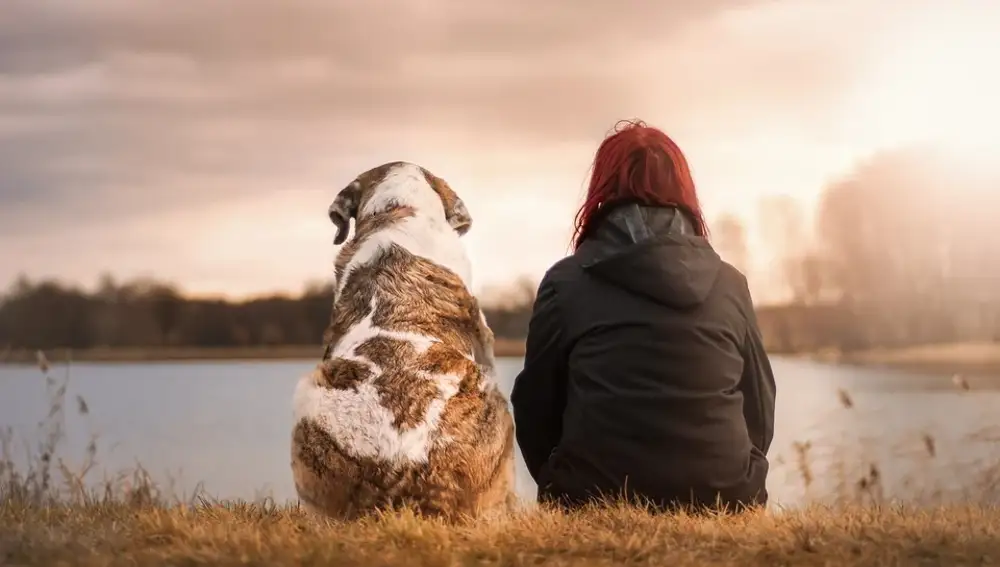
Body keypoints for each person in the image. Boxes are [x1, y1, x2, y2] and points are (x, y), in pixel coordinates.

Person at [510, 119, 776, 513]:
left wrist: (558, 480)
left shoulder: (565, 283)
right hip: (726, 497)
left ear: (602, 191)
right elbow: (760, 405)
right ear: (684, 191)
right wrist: (736, 476)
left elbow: (534, 408)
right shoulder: (729, 284)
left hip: (592, 498)